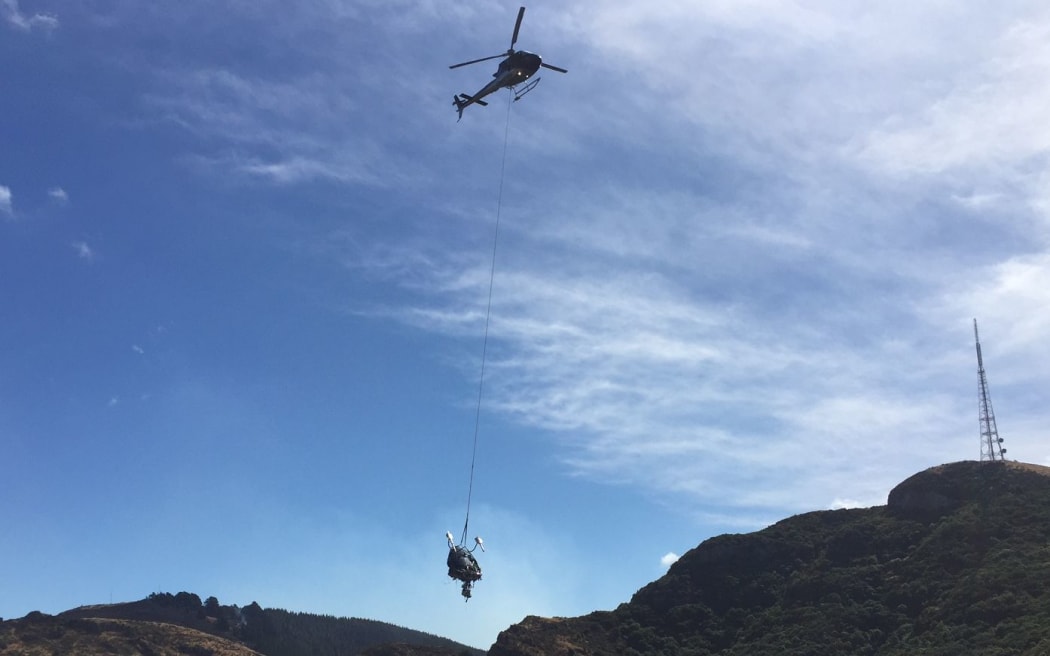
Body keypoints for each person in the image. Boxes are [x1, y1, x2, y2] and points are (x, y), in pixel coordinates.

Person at [446, 532, 483, 599]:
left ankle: (466, 590)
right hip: (463, 568)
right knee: (470, 575)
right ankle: (466, 590)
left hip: (463, 568)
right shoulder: (470, 571)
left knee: (469, 575)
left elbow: (450, 566)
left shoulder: (466, 572)